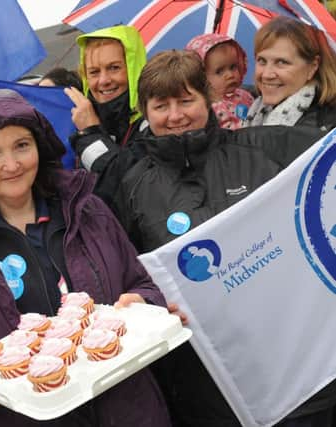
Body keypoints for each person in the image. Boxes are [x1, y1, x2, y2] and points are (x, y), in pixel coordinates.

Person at [0, 89, 171, 426]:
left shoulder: (89, 211)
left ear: (40, 145)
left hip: (129, 410)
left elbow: (141, 284)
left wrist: (143, 303)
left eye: (22, 145)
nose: (11, 165)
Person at [114, 49, 335, 427]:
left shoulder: (265, 149)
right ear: (144, 111)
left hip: (297, 361)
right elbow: (125, 271)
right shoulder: (131, 185)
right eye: (161, 105)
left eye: (186, 100)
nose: (176, 115)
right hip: (208, 378)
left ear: (208, 98)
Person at [63, 25, 147, 204]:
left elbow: (128, 187)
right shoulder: (83, 121)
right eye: (94, 72)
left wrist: (91, 134)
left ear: (134, 69)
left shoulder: (155, 122)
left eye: (114, 68)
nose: (103, 80)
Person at [243, 16, 336, 129]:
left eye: (281, 62)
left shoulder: (325, 130)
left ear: (313, 66)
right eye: (262, 61)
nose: (267, 74)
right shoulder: (248, 104)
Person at [186, 33, 254, 129]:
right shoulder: (208, 107)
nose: (230, 75)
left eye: (233, 67)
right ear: (201, 76)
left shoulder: (246, 96)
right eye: (219, 71)